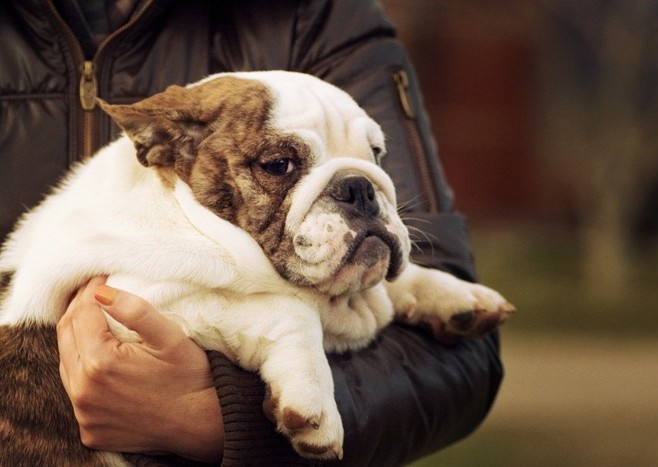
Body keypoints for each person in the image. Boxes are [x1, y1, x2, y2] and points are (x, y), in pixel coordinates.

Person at [0, 1, 505, 465]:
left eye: (371, 155)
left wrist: (217, 418)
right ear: (166, 146)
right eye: (281, 164)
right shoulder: (121, 235)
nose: (359, 193)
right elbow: (130, 314)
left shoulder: (319, 16)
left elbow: (464, 370)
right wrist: (285, 332)